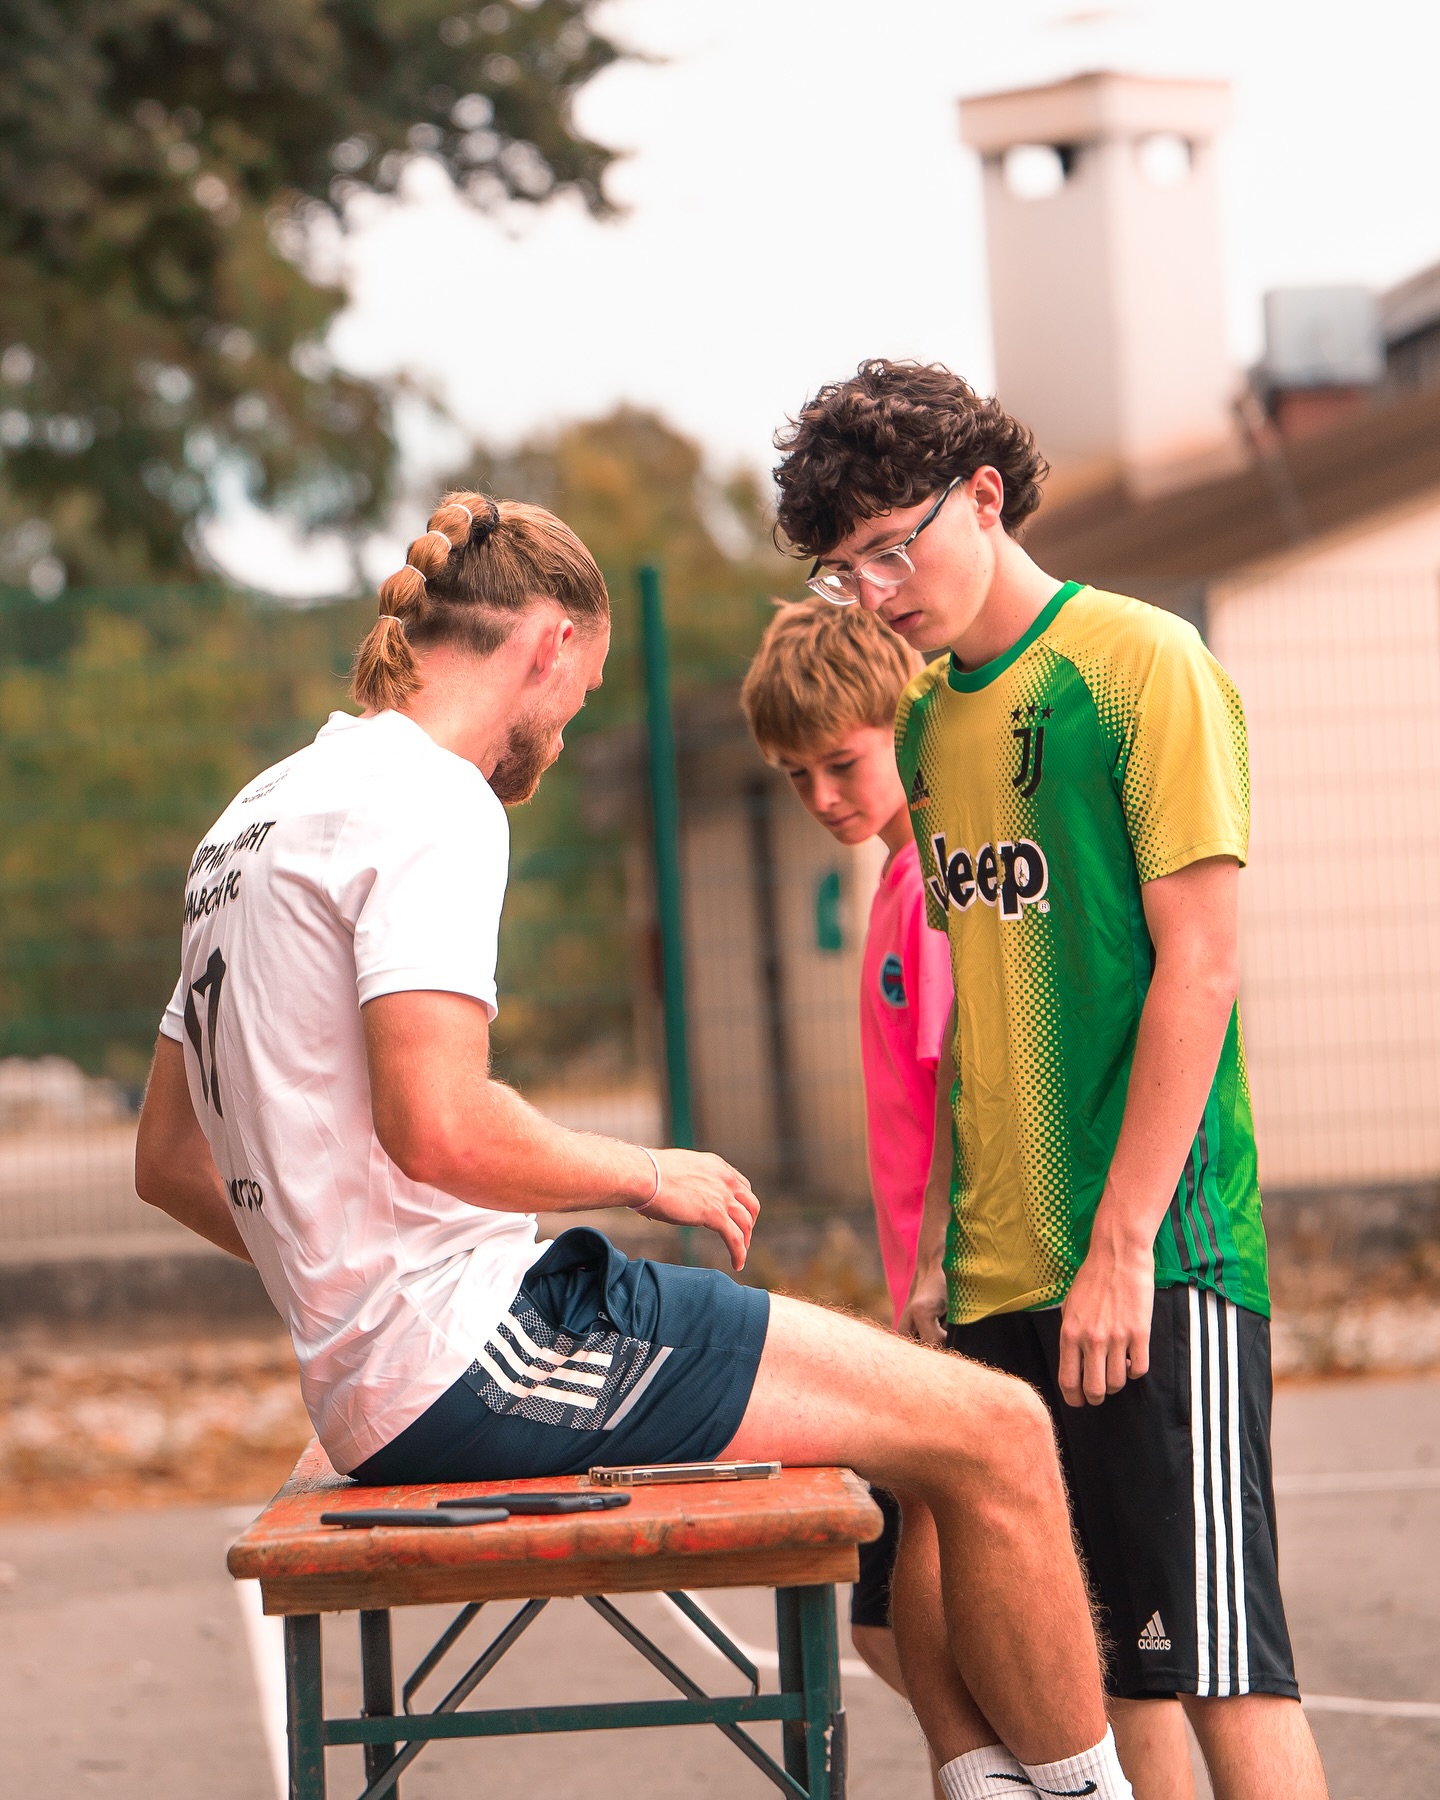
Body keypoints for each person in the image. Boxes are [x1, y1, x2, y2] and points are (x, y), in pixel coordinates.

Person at [135, 489, 1138, 1800]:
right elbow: (436, 1122)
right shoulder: (432, 801)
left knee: (936, 1433)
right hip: (476, 1353)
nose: (569, 723)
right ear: (548, 641)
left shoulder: (253, 817)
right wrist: (643, 1169)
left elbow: (173, 1159)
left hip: (435, 1347)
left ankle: (989, 1778)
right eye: (583, 689)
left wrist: (335, 1286)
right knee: (1001, 1431)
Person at [772, 361, 1329, 1800]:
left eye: (897, 546)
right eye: (848, 573)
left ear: (984, 496)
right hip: (1004, 1274)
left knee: (1220, 1671)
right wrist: (954, 1247)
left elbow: (1198, 970)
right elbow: (978, 1023)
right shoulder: (936, 731)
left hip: (1159, 1260)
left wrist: (1128, 1242)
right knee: (1096, 1670)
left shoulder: (1142, 666)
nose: (881, 590)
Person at [739, 600, 952, 1712]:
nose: (820, 797)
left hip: (959, 1297)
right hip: (919, 1291)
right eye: (792, 775)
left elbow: (970, 1091)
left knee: (935, 1605)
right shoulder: (893, 880)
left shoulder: (939, 890)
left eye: (839, 763)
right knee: (884, 1620)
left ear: (905, 723)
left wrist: (936, 1276)